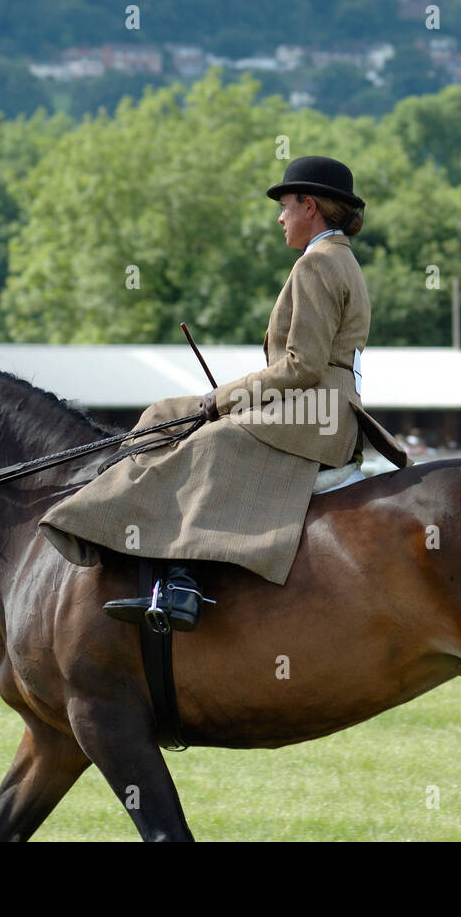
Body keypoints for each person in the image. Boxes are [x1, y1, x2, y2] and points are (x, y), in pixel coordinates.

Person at [38, 156, 411, 629]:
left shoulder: (317, 264)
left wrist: (226, 397)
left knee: (209, 442)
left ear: (310, 206)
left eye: (285, 206)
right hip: (317, 408)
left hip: (317, 412)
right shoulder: (337, 258)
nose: (279, 217)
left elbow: (302, 366)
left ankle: (181, 584)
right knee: (163, 414)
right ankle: (118, 536)